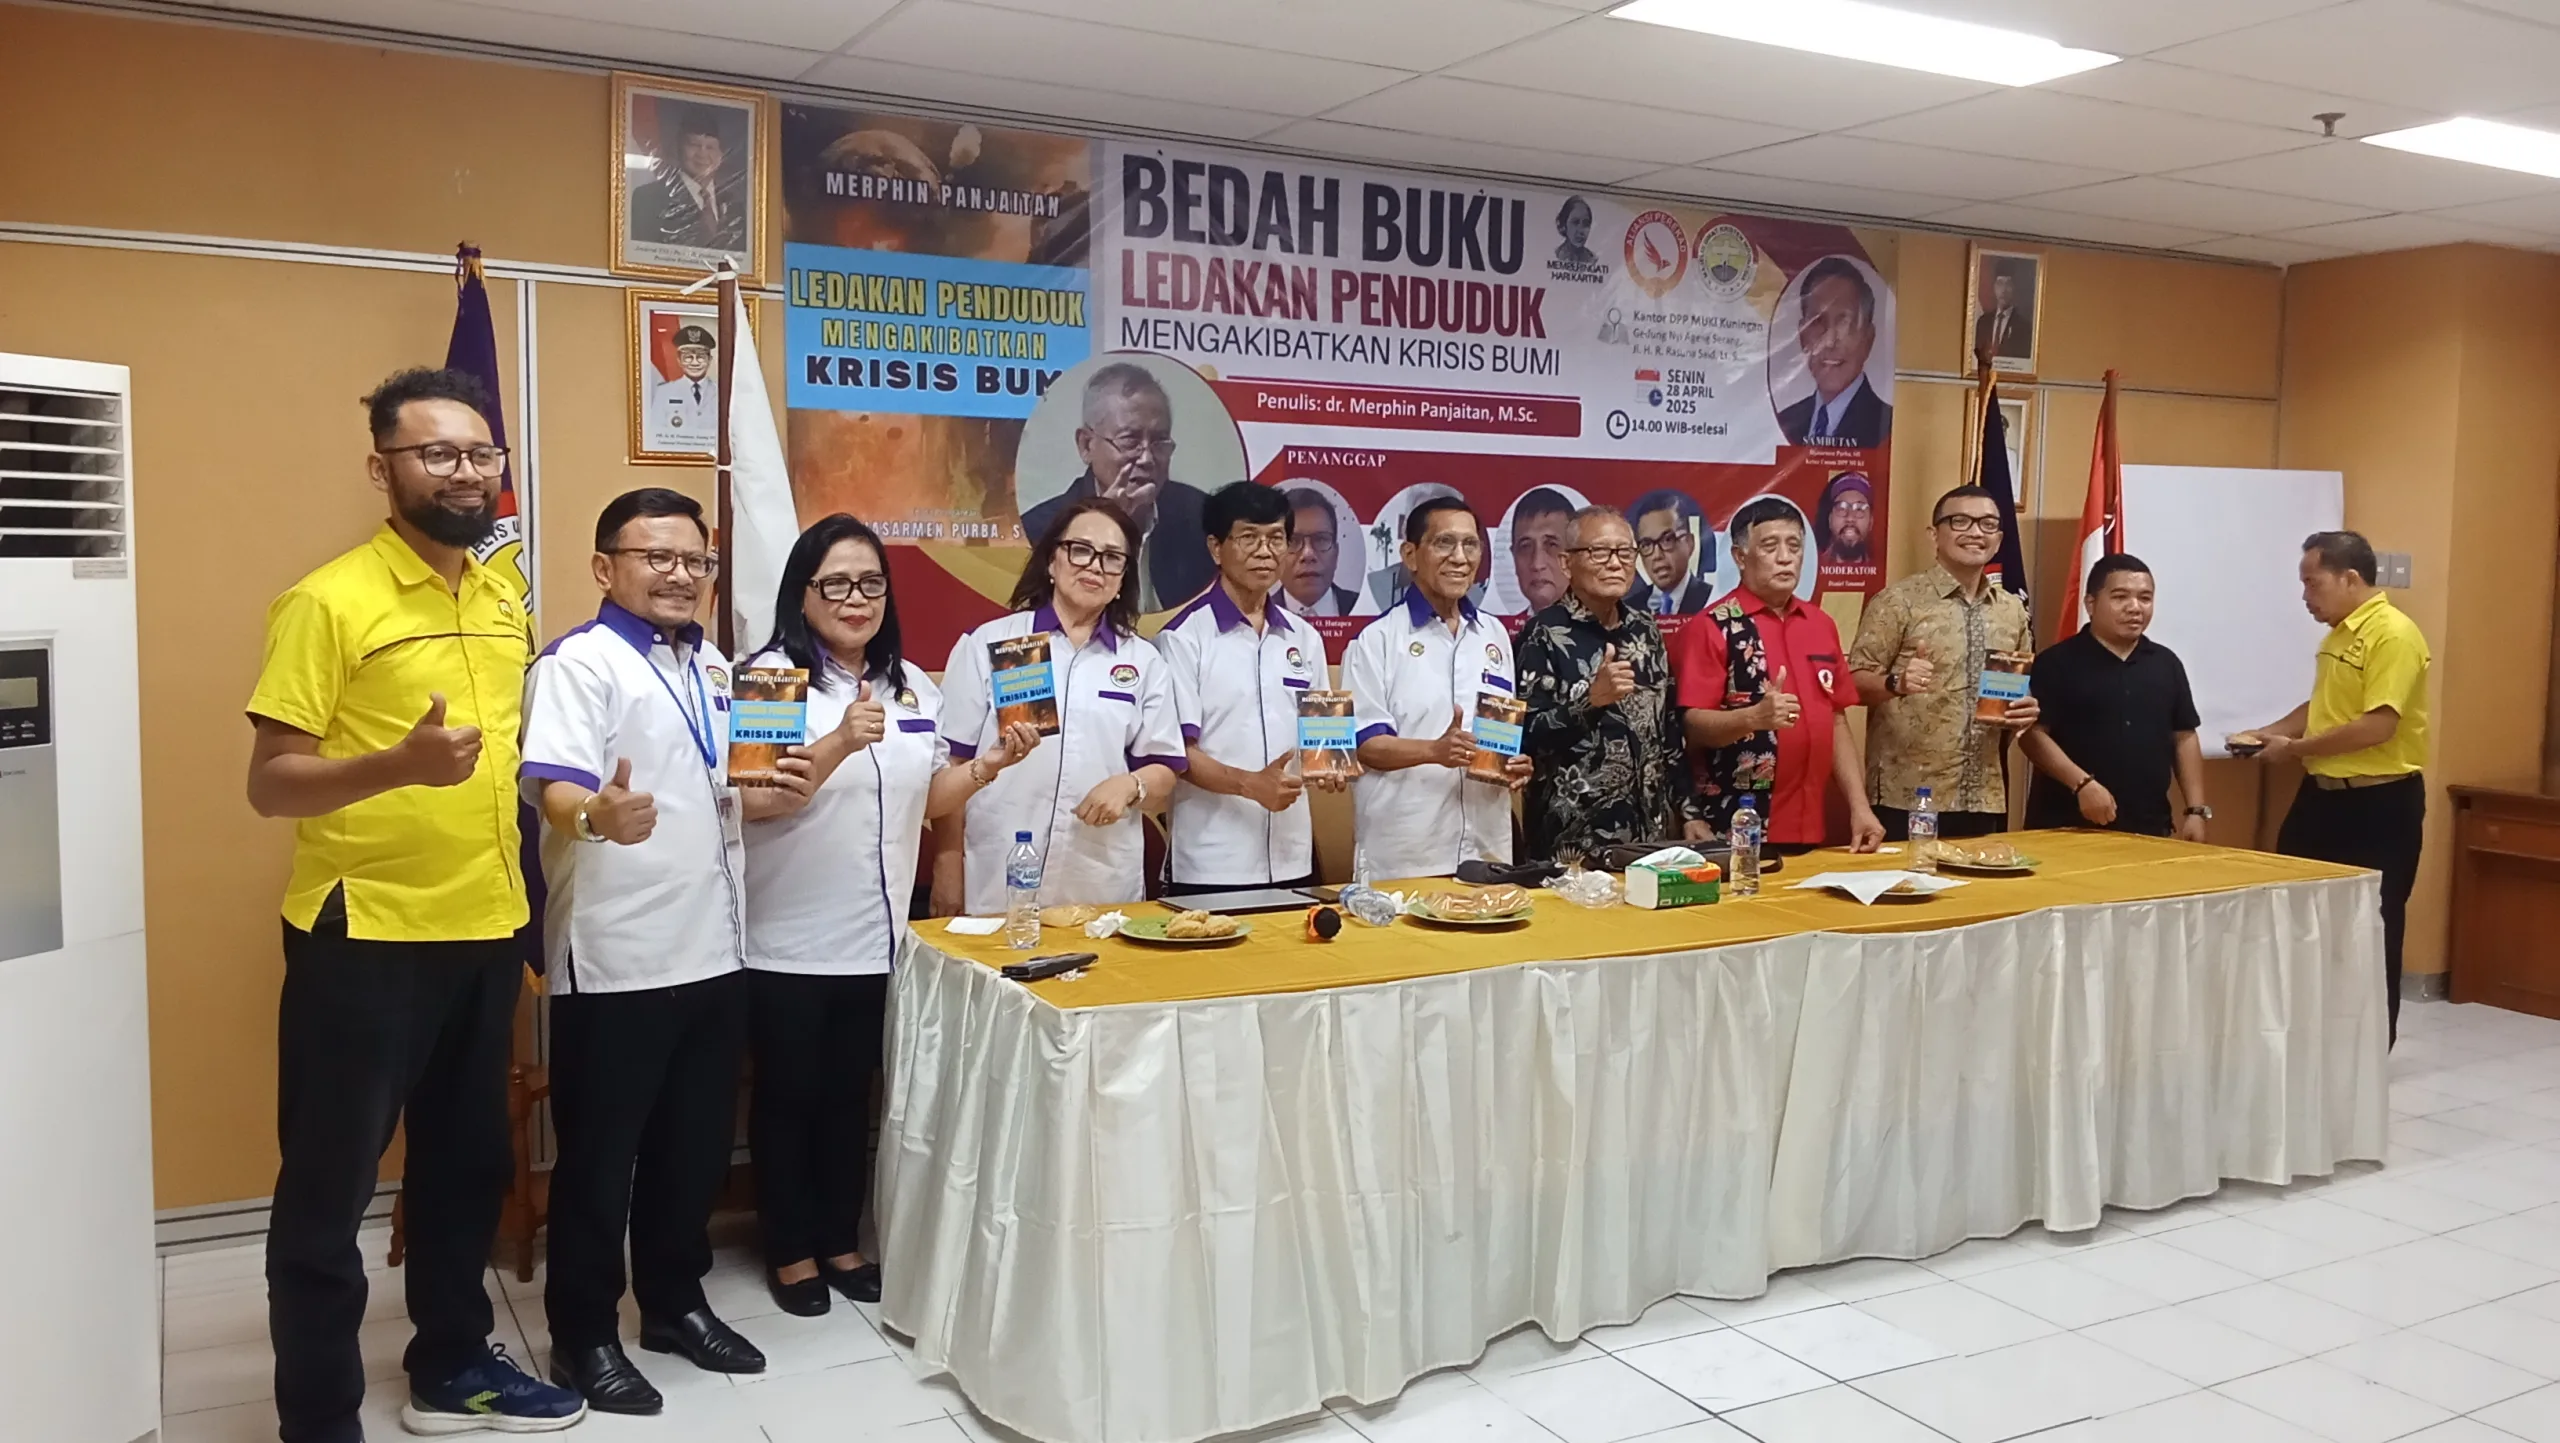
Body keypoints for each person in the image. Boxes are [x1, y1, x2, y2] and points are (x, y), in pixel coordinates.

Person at [246, 368, 584, 1443]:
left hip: (483, 926)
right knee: (329, 1192)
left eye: (481, 453)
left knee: (465, 1168)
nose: (466, 471)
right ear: (381, 468)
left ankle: (451, 1366)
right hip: (367, 936)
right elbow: (271, 783)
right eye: (437, 453)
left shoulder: (501, 598)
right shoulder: (328, 601)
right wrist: (395, 765)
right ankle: (317, 1418)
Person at [521, 488, 763, 1415]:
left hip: (716, 947)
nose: (679, 574)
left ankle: (674, 1303)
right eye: (656, 556)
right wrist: (596, 815)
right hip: (618, 957)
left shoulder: (716, 668)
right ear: (604, 567)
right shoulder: (578, 664)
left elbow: (742, 784)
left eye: (695, 560)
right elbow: (555, 790)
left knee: (691, 1151)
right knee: (598, 1161)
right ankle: (583, 1335)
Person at [736, 515, 995, 1317]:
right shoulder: (771, 678)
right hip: (786, 938)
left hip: (878, 937)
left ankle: (840, 1239)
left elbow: (928, 799)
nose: (857, 599)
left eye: (872, 583)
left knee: (853, 1096)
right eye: (837, 583)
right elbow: (754, 800)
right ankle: (790, 1248)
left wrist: (988, 765)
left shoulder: (910, 683)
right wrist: (843, 741)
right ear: (802, 592)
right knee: (789, 1097)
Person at [2233, 530, 2430, 1044]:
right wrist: (2269, 733)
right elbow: (2322, 708)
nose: (2305, 596)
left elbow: (2378, 725)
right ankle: (2304, 1035)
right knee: (2296, 908)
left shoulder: (2393, 634)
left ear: (2349, 578)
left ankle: (2369, 1046)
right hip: (2322, 796)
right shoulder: (2339, 635)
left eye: (2312, 582)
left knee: (2373, 924)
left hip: (2379, 802)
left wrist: (2294, 749)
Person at [942, 498, 1186, 912]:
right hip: (998, 869)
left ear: (1123, 577)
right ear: (1052, 561)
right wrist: (947, 862)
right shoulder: (990, 643)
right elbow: (953, 762)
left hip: (1098, 875)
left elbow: (1165, 768)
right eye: (1081, 550)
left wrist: (1131, 785)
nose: (1095, 566)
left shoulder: (1143, 661)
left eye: (1112, 558)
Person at [1678, 496, 1884, 851]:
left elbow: (1835, 719)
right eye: (1770, 546)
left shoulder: (1820, 624)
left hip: (1810, 822)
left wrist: (1859, 806)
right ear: (1740, 557)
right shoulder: (1713, 627)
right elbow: (1691, 726)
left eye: (1794, 546)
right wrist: (1752, 718)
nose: (1785, 557)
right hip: (1736, 824)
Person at [1158, 483, 1334, 891]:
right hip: (1211, 860)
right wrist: (1249, 784)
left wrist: (1329, 767)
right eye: (1249, 537)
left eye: (1276, 538)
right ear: (1216, 548)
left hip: (1292, 855)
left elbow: (1324, 737)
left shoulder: (1305, 638)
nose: (1264, 551)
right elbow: (1177, 752)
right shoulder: (1182, 638)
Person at [1345, 498, 1531, 878]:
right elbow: (1364, 744)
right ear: (1410, 555)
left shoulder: (1494, 635)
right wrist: (1434, 750)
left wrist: (1513, 765)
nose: (1460, 558)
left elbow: (1499, 735)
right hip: (1407, 854)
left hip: (1487, 849)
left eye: (1470, 544)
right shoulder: (1376, 640)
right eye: (1445, 542)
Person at [1847, 484, 2037, 839]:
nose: (1976, 532)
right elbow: (1852, 684)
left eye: (1988, 524)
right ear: (1934, 534)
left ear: (1999, 539)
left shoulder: (2011, 610)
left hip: (1983, 796)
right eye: (1960, 521)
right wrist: (1896, 683)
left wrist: (2021, 710)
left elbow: (2006, 697)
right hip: (1906, 795)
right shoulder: (1898, 601)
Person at [1515, 506, 1694, 859]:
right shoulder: (1542, 635)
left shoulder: (1647, 630)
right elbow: (1523, 736)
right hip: (1572, 844)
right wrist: (1591, 701)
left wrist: (1689, 811)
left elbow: (1669, 730)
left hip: (1649, 839)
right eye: (1599, 552)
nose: (1615, 563)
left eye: (1625, 552)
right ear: (1566, 562)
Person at [2020, 555, 2209, 840]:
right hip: (2066, 825)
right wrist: (2081, 784)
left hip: (2149, 826)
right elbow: (2032, 735)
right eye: (2120, 597)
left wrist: (2195, 810)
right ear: (2091, 604)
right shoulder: (2056, 662)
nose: (2135, 607)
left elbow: (2184, 736)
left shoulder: (2166, 664)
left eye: (2145, 598)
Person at [1019, 363, 1212, 611]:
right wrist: (1104, 521)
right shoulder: (1041, 530)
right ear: (1086, 445)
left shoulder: (1200, 519)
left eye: (1160, 441)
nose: (1147, 459)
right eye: (1130, 440)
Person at [1776, 257, 1892, 448]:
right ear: (1802, 335)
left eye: (1844, 323)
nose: (1829, 342)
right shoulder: (1786, 423)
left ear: (1868, 338)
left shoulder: (1887, 427)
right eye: (1817, 322)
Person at [634, 106, 747, 252]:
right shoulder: (647, 197)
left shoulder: (734, 205)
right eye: (694, 145)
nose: (702, 154)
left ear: (721, 154)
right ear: (678, 148)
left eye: (710, 147)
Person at [1625, 489, 1711, 616]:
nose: (1657, 555)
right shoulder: (1629, 609)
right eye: (1646, 544)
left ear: (1689, 543)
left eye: (1667, 540)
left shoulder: (1712, 599)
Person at [1278, 486, 1361, 617]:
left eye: (1321, 539)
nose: (1308, 554)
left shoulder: (1367, 610)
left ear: (1336, 554)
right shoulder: (1256, 614)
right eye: (1293, 541)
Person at [1507, 486, 1576, 614]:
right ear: (1513, 556)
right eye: (1525, 547)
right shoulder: (1499, 627)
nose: (1537, 564)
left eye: (1552, 545)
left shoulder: (1603, 625)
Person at [649, 325, 716, 442]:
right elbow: (655, 433)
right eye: (688, 357)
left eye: (700, 357)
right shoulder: (664, 392)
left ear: (709, 360)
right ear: (679, 360)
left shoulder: (723, 393)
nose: (694, 363)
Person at [1974, 264, 2033, 365]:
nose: (2004, 290)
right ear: (1994, 287)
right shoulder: (1983, 322)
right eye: (2000, 284)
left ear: (2014, 288)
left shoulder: (2024, 326)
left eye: (2008, 284)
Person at [1817, 473, 1875, 565]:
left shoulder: (1884, 568)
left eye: (1859, 509)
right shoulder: (1813, 566)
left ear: (1871, 522)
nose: (1850, 518)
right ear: (1830, 519)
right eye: (1842, 508)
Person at [1554, 195, 1598, 268]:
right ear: (1564, 224)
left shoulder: (1592, 259)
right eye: (1575, 222)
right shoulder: (1555, 256)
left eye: (1586, 223)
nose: (1581, 230)